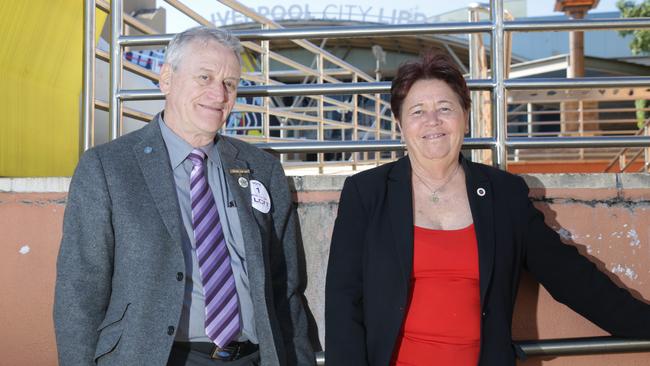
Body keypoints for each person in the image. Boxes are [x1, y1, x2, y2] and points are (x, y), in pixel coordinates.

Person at [324, 50, 650, 366]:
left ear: (465, 115)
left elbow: (572, 279)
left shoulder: (503, 194)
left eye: (445, 108)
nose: (432, 121)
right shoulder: (366, 193)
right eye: (417, 111)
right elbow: (343, 302)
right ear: (399, 124)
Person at [54, 26, 315, 366]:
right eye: (204, 77)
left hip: (253, 358)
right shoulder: (107, 169)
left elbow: (287, 290)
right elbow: (79, 292)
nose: (219, 94)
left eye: (230, 84)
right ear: (166, 79)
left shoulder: (262, 169)